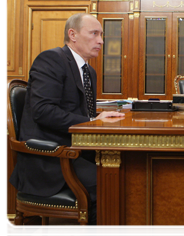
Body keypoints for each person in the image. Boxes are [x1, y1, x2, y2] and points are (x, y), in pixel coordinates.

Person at [10, 13, 125, 236]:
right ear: (72, 35)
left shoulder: (88, 71)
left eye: (101, 35)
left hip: (76, 150)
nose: (101, 41)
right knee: (107, 185)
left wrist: (100, 116)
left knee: (125, 172)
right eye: (94, 34)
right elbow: (43, 111)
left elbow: (78, 112)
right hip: (50, 158)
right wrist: (92, 120)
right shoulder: (51, 60)